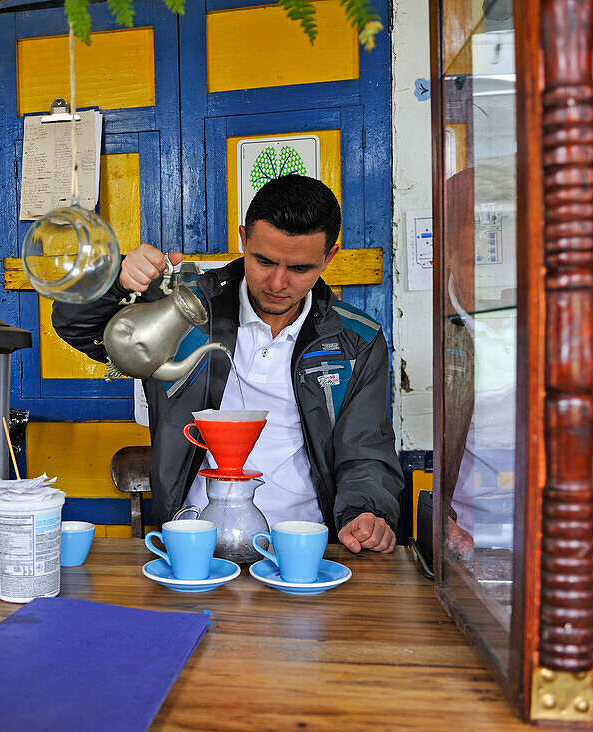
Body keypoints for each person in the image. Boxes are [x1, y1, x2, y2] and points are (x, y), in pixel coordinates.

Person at [52, 175, 402, 553]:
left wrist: (365, 513)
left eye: (300, 268)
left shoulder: (355, 341)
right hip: (193, 542)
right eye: (263, 261)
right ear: (243, 239)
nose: (277, 282)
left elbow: (365, 450)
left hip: (304, 545)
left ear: (328, 257)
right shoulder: (183, 309)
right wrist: (117, 282)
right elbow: (77, 326)